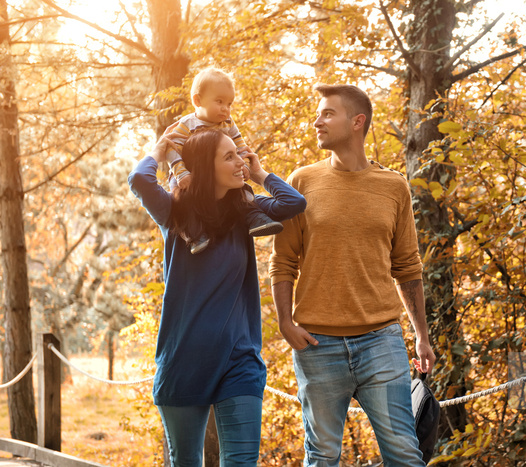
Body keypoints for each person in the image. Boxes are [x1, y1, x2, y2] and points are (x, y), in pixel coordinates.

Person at [269, 83, 436, 466]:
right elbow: (283, 260)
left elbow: (407, 267)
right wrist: (284, 322)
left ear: (357, 122)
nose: (317, 121)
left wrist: (421, 337)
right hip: (317, 345)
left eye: (328, 113)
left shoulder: (394, 187)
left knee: (405, 455)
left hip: (382, 342)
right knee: (323, 456)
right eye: (318, 113)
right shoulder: (302, 183)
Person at [128, 128, 306, 466]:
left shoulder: (246, 213)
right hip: (183, 359)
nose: (239, 161)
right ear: (204, 168)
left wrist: (258, 173)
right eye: (229, 157)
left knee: (241, 462)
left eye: (238, 155)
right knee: (187, 461)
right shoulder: (175, 213)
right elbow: (139, 179)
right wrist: (160, 150)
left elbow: (293, 203)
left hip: (239, 360)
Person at [165, 67, 283, 253]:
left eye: (229, 103)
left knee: (243, 188)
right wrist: (181, 173)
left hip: (217, 174)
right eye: (219, 101)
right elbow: (171, 149)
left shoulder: (228, 123)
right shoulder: (187, 124)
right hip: (187, 172)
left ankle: (254, 217)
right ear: (198, 100)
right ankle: (192, 232)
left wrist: (243, 164)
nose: (225, 109)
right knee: (180, 197)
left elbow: (240, 145)